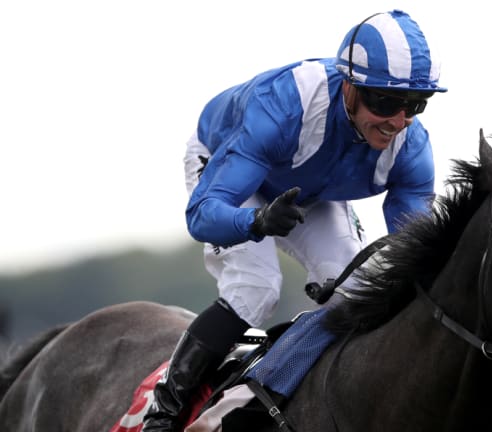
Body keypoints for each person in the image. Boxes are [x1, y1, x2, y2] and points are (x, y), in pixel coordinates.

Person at [143, 9, 447, 431]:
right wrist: (256, 222)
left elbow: (416, 255)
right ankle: (164, 413)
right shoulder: (283, 106)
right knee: (257, 287)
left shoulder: (411, 148)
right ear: (349, 87)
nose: (398, 121)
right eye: (385, 101)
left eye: (415, 104)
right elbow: (201, 216)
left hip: (311, 191)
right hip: (230, 174)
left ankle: (285, 392)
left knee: (357, 292)